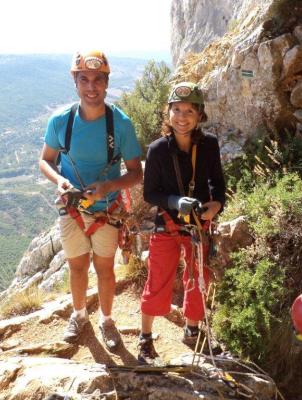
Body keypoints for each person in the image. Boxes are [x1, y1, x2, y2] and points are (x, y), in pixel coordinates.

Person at [39, 50, 142, 349]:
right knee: (77, 266)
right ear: (75, 82)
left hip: (106, 209)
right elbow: (46, 160)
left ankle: (107, 321)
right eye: (84, 79)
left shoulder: (120, 124)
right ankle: (79, 314)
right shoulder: (61, 121)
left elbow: (135, 173)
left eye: (98, 79)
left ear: (107, 82)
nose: (91, 86)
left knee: (105, 268)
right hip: (71, 208)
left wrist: (108, 185)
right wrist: (60, 180)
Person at [138, 81, 226, 363]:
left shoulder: (209, 145)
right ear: (168, 113)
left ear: (200, 115)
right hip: (168, 224)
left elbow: (218, 185)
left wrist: (216, 206)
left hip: (198, 226)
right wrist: (176, 202)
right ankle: (146, 338)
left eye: (189, 110)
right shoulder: (157, 150)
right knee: (159, 279)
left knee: (199, 278)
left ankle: (192, 329)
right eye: (176, 109)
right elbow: (150, 193)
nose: (182, 116)